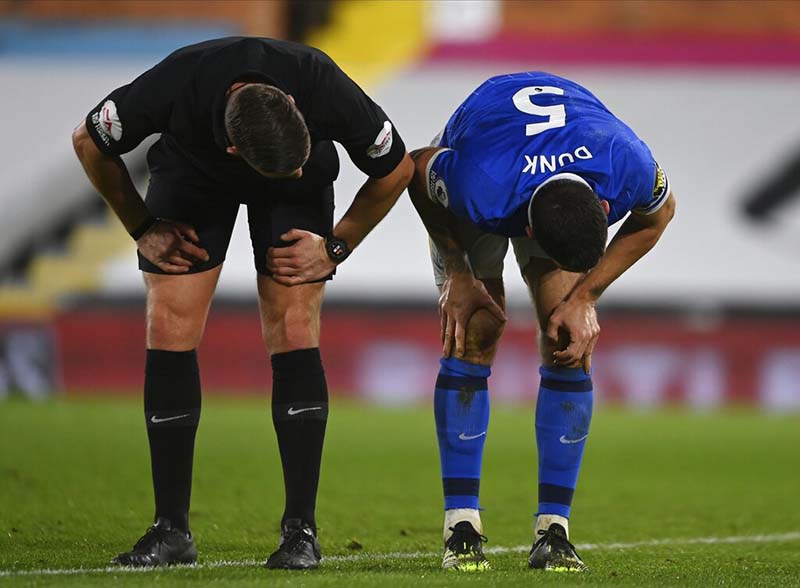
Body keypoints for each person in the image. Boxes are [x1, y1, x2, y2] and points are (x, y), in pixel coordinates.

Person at [72, 36, 413, 569]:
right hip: (193, 175)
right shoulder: (178, 81)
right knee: (169, 320)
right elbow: (89, 142)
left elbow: (397, 168)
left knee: (295, 321)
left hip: (292, 194)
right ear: (235, 149)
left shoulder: (320, 81)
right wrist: (141, 228)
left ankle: (301, 530)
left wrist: (336, 246)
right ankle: (171, 530)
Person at [407, 71, 675, 572]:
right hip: (488, 149)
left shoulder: (628, 163)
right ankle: (460, 524)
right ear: (526, 230)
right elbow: (417, 169)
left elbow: (659, 215)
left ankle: (555, 530)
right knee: (476, 331)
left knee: (567, 337)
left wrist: (586, 294)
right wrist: (459, 273)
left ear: (603, 204)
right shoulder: (477, 186)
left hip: (553, 164)